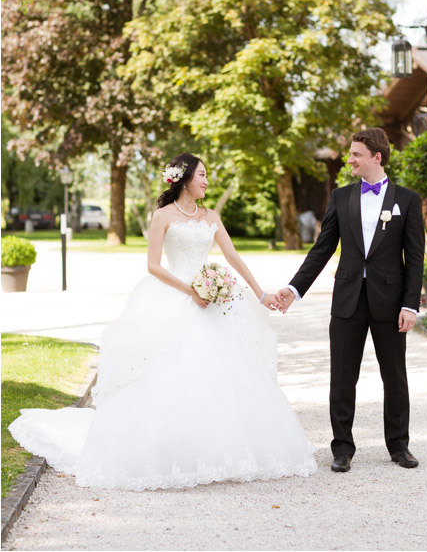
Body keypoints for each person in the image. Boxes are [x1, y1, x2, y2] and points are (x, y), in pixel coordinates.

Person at [9, 154, 316, 490]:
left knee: (223, 373)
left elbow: (232, 257)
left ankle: (218, 451)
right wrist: (191, 291)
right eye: (202, 175)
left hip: (210, 299)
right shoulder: (163, 216)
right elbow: (154, 265)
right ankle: (163, 451)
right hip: (176, 295)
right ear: (184, 178)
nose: (207, 181)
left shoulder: (210, 215)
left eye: (207, 175)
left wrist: (260, 294)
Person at [273, 128, 425, 473]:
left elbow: (415, 258)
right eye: (350, 153)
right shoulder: (341, 197)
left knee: (395, 376)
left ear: (377, 157)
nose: (349, 159)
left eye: (356, 154)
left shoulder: (408, 200)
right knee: (342, 377)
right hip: (347, 300)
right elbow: (322, 248)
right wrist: (293, 289)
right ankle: (342, 449)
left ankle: (399, 446)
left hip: (390, 302)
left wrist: (410, 305)